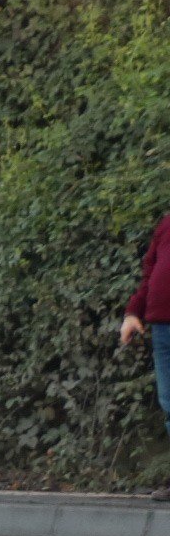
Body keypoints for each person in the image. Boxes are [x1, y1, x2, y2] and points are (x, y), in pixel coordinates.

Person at [120, 207, 170, 500]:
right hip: (162, 327)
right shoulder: (166, 224)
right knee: (169, 403)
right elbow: (149, 273)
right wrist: (132, 313)